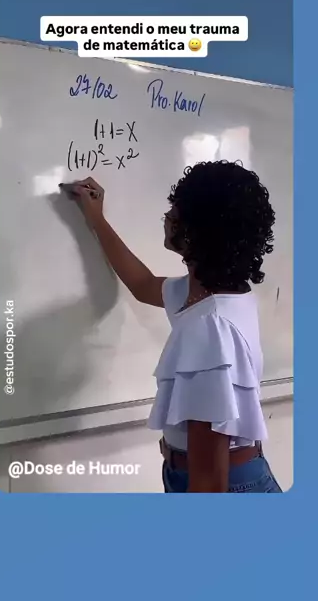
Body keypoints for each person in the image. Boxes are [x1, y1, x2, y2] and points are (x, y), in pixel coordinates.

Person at [69, 160, 282, 493]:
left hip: (223, 485)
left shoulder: (210, 327)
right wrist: (96, 217)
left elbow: (209, 483)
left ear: (199, 231)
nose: (168, 216)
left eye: (176, 211)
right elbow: (142, 284)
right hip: (216, 474)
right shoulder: (212, 294)